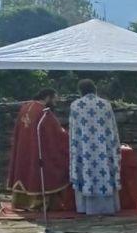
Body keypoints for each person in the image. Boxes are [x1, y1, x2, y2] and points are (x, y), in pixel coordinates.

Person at [6, 88, 72, 211]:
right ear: (47, 98)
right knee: (44, 171)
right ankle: (40, 203)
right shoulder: (43, 112)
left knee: (26, 171)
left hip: (24, 150)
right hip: (39, 152)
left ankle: (22, 202)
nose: (55, 103)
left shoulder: (25, 107)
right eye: (54, 99)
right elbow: (56, 134)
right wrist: (69, 136)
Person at [69, 79, 121, 215]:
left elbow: (73, 131)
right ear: (95, 89)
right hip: (103, 148)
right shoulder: (105, 104)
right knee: (105, 173)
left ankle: (84, 208)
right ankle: (109, 207)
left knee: (86, 172)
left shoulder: (75, 105)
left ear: (80, 91)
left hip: (84, 149)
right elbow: (112, 129)